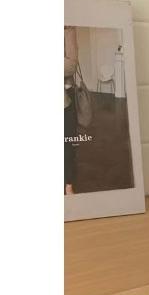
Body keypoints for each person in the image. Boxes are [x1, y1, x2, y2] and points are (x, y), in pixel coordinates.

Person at [64, 26, 78, 195]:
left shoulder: (67, 28)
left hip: (64, 101)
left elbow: (71, 66)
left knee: (67, 145)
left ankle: (68, 184)